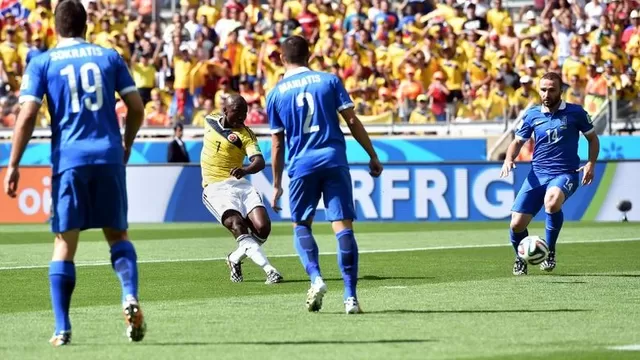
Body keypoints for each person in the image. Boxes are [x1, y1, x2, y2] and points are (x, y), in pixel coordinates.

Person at [3, 0, 146, 346]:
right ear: (86, 26)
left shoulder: (43, 61)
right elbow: (137, 108)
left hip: (70, 160)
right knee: (118, 235)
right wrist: (125, 144)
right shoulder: (109, 56)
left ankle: (62, 329)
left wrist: (13, 164)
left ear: (55, 27)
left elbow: (25, 116)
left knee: (64, 243)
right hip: (109, 157)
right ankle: (129, 295)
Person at [267, 36, 383, 314]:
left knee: (301, 225)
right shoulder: (329, 81)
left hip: (301, 165)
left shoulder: (275, 93)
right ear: (310, 55)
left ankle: (316, 278)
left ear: (282, 59)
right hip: (333, 160)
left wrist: (276, 184)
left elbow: (277, 143)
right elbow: (352, 120)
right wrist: (372, 154)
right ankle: (350, 297)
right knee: (342, 227)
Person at [500, 72, 600, 276]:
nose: (546, 93)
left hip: (565, 173)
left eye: (551, 89)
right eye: (543, 89)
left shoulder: (576, 113)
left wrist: (591, 163)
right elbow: (518, 141)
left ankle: (550, 250)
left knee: (552, 201)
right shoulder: (532, 115)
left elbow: (592, 139)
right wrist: (509, 158)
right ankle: (521, 258)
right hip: (537, 174)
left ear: (561, 91)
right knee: (516, 224)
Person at [201, 94, 283, 285]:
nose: (242, 118)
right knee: (238, 225)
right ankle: (270, 270)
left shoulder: (245, 135)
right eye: (237, 112)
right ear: (225, 111)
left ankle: (234, 258)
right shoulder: (210, 120)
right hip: (215, 188)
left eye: (245, 113)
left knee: (263, 228)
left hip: (240, 184)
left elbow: (259, 161)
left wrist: (245, 170)